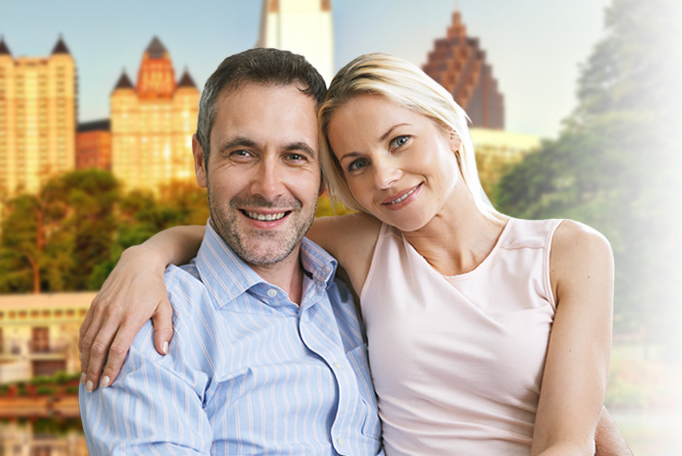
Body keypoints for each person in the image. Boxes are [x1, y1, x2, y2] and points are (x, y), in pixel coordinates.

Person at [80, 53, 626, 455]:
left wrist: (148, 252)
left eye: (400, 141)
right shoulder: (365, 250)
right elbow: (255, 229)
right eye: (356, 164)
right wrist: (147, 255)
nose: (385, 176)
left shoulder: (569, 251)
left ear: (451, 129)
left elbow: (571, 434)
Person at [79, 47, 384, 455]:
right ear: (202, 162)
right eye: (242, 153)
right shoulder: (152, 327)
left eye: (295, 157)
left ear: (323, 176)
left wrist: (149, 251)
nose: (269, 186)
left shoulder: (359, 293)